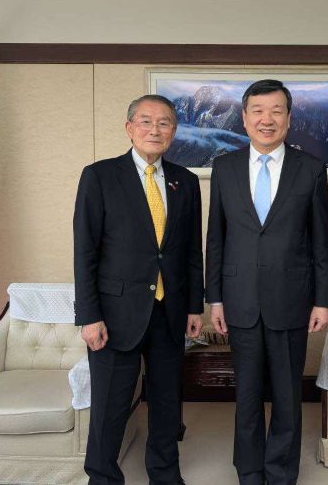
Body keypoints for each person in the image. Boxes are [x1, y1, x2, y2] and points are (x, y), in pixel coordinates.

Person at [206, 79, 328, 485]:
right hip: (239, 298)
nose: (267, 119)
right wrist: (215, 298)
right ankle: (249, 471)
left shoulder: (310, 169)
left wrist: (323, 301)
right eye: (258, 111)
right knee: (245, 395)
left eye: (276, 111)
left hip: (292, 299)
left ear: (289, 118)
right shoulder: (224, 168)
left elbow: (322, 242)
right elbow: (216, 238)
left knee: (287, 395)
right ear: (244, 118)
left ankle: (280, 473)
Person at [74, 94, 203, 485]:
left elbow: (191, 251)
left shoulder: (186, 181)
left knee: (166, 403)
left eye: (164, 123)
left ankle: (164, 475)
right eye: (146, 121)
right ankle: (102, 477)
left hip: (169, 311)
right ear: (130, 128)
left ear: (174, 131)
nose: (155, 130)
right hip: (115, 315)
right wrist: (89, 316)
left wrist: (194, 307)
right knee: (109, 408)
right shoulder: (99, 176)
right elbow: (85, 252)